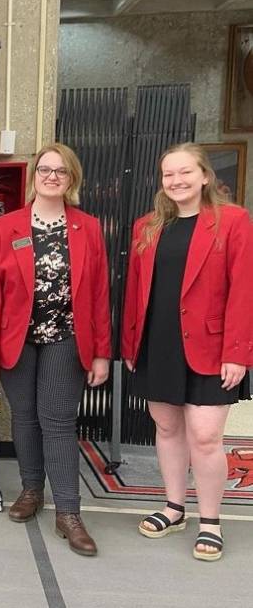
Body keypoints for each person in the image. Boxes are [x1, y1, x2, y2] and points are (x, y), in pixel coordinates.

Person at [0, 142, 110, 557]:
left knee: (58, 421)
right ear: (35, 177)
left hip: (65, 339)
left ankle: (68, 512)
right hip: (16, 340)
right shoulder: (5, 228)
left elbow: (100, 293)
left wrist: (102, 352)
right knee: (26, 418)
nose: (52, 177)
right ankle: (32, 490)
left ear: (72, 180)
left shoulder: (87, 227)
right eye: (46, 170)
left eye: (61, 172)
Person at [122, 142, 253, 562]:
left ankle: (210, 520)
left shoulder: (233, 221)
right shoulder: (147, 226)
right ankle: (174, 507)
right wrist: (130, 343)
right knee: (166, 429)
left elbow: (245, 290)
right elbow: (134, 292)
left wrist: (238, 352)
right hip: (158, 343)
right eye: (168, 175)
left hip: (213, 347)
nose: (176, 181)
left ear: (204, 176)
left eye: (184, 173)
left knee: (205, 435)